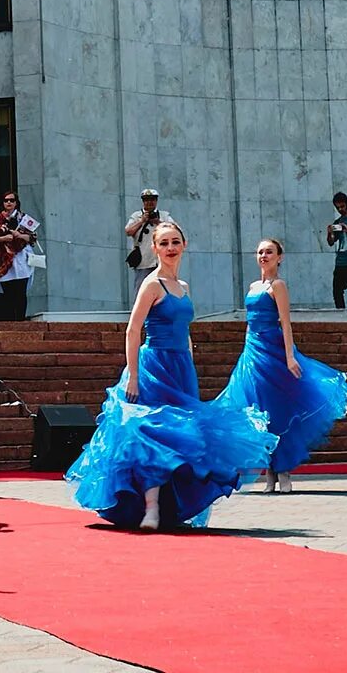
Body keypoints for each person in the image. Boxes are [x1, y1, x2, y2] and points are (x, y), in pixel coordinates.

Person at [67, 219, 276, 530]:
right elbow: (133, 329)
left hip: (180, 370)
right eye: (163, 243)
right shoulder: (152, 284)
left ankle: (173, 508)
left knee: (184, 437)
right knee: (153, 433)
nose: (170, 248)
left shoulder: (184, 287)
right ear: (154, 248)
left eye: (175, 242)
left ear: (184, 246)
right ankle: (150, 508)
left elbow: (185, 331)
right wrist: (134, 376)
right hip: (153, 367)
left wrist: (190, 363)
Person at [214, 239, 347, 493]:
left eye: (269, 252)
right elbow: (249, 322)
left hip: (274, 352)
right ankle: (269, 473)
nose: (264, 256)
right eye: (260, 252)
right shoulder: (254, 286)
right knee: (259, 409)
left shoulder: (278, 285)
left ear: (280, 257)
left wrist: (290, 357)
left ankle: (284, 470)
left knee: (279, 410)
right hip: (253, 353)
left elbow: (285, 323)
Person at [0, 191, 36, 320]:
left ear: (16, 202)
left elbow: (33, 237)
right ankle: (9, 320)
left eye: (11, 200)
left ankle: (20, 319)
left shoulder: (24, 218)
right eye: (6, 200)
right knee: (8, 292)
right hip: (4, 258)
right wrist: (4, 238)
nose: (8, 202)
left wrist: (20, 236)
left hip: (21, 257)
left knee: (21, 291)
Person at [124, 189, 162, 280]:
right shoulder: (136, 216)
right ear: (143, 202)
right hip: (143, 261)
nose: (149, 202)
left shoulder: (163, 215)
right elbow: (128, 231)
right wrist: (142, 221)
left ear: (156, 201)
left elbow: (173, 230)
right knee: (141, 289)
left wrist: (158, 222)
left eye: (152, 200)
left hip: (160, 261)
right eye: (146, 200)